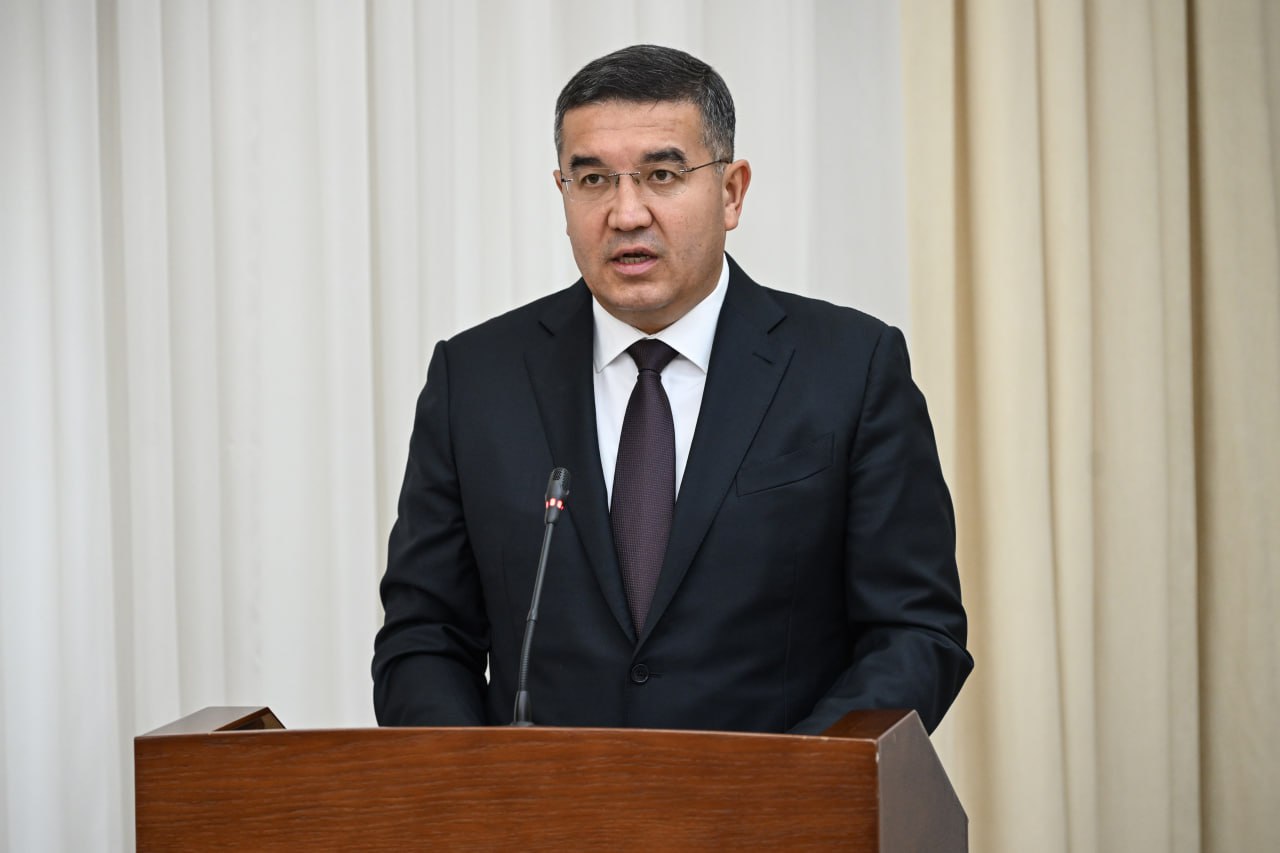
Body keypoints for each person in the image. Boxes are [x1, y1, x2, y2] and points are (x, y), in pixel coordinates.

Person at [372, 44, 971, 735]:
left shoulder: (850, 368)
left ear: (732, 192)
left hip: (780, 799)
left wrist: (799, 783)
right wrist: (474, 785)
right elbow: (424, 637)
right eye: (593, 180)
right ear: (562, 194)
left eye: (662, 174)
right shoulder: (476, 379)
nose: (626, 213)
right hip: (539, 800)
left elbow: (916, 632)